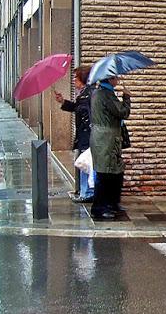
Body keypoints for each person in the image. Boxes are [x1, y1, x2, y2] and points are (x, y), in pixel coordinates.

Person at [90, 75, 131, 221]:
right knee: (105, 174)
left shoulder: (101, 92)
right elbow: (122, 112)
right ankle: (100, 208)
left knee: (115, 172)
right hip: (105, 139)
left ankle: (112, 203)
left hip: (107, 138)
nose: (118, 80)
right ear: (110, 79)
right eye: (116, 77)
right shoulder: (105, 94)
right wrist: (126, 97)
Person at [54, 65, 94, 203]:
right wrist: (63, 102)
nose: (74, 81)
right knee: (85, 163)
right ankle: (85, 191)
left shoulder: (88, 94)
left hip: (87, 135)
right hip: (85, 135)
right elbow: (77, 108)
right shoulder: (84, 94)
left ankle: (87, 192)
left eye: (76, 77)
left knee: (85, 164)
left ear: (83, 78)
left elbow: (85, 112)